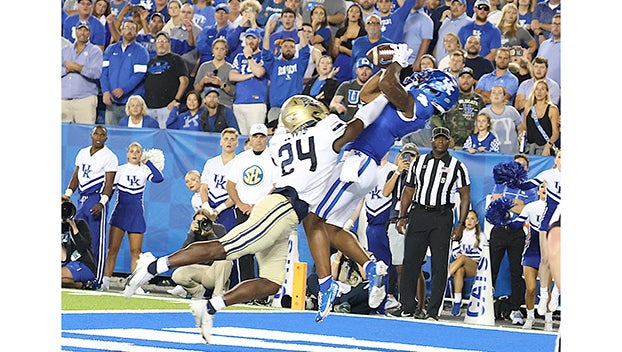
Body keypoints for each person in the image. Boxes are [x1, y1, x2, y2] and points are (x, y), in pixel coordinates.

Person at [122, 94, 366, 342]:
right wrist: (370, 104)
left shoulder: (281, 140)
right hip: (280, 209)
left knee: (271, 282)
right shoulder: (318, 136)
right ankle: (153, 265)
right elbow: (354, 127)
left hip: (285, 214)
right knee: (223, 249)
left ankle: (209, 307)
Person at [305, 54, 460, 322]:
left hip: (359, 162)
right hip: (360, 164)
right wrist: (385, 63)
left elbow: (389, 84)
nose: (420, 78)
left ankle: (326, 284)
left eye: (426, 78)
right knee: (331, 228)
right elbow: (367, 93)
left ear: (434, 89)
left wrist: (397, 62)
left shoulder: (418, 106)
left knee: (312, 220)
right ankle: (371, 267)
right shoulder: (409, 101)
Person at [394, 126, 470, 320]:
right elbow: (409, 190)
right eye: (437, 138)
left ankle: (433, 310)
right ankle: (407, 306)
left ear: (450, 141)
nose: (441, 142)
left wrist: (460, 224)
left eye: (444, 139)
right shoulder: (418, 162)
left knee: (439, 264)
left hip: (442, 216)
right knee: (410, 261)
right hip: (418, 213)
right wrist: (402, 216)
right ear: (432, 141)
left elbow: (465, 195)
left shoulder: (457, 166)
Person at [102, 142, 164, 291]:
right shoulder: (120, 170)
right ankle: (105, 281)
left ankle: (134, 284)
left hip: (136, 215)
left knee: (136, 252)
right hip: (120, 213)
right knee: (112, 249)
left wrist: (147, 161)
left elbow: (158, 178)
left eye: (138, 151)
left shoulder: (144, 171)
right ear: (127, 154)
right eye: (132, 151)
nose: (135, 154)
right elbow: (109, 190)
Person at [63, 125, 118, 285]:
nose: (99, 137)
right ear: (91, 135)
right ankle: (74, 271)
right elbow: (76, 175)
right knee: (75, 236)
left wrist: (102, 203)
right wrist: (67, 194)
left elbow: (109, 183)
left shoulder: (110, 157)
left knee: (96, 240)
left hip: (96, 199)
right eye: (96, 134)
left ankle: (97, 279)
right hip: (82, 199)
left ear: (106, 138)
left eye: (103, 135)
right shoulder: (82, 153)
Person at [225, 123, 279, 284]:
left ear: (267, 138)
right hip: (243, 210)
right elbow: (230, 185)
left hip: (264, 211)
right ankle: (246, 290)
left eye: (262, 136)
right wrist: (241, 204)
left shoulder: (273, 158)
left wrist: (259, 206)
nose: (258, 140)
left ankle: (263, 293)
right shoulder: (242, 158)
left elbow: (276, 185)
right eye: (255, 136)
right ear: (250, 138)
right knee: (244, 250)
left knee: (265, 251)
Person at [488, 154, 537, 325]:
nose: (519, 167)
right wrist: (515, 204)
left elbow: (527, 209)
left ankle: (516, 309)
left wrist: (507, 204)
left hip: (517, 233)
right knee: (491, 268)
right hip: (499, 230)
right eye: (516, 164)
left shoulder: (529, 188)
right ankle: (485, 304)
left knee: (517, 271)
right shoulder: (501, 182)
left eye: (523, 165)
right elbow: (494, 202)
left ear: (527, 169)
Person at [382, 143, 427, 317]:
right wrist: (398, 171)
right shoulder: (395, 173)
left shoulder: (423, 175)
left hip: (415, 221)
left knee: (417, 268)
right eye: (405, 156)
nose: (408, 160)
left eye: (412, 157)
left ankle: (421, 306)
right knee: (400, 267)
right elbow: (386, 192)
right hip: (395, 220)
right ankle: (405, 303)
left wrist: (414, 171)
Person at [509, 182, 551, 330]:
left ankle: (548, 319)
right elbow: (516, 225)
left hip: (548, 255)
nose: (544, 189)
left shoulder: (559, 208)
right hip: (531, 253)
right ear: (538, 191)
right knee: (531, 288)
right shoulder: (530, 207)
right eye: (542, 187)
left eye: (548, 186)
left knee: (546, 289)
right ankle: (530, 316)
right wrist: (505, 218)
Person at [170, 209, 234, 299]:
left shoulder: (219, 229)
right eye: (198, 221)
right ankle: (197, 291)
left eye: (204, 221)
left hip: (213, 271)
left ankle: (217, 295)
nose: (201, 224)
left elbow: (222, 250)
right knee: (177, 275)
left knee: (226, 260)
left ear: (210, 221)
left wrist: (211, 234)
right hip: (198, 270)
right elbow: (183, 253)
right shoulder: (194, 233)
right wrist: (191, 234)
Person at [100, 19, 150, 126]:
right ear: (121, 31)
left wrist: (124, 89)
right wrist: (105, 91)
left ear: (137, 33)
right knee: (111, 134)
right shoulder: (110, 49)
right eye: (127, 28)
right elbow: (104, 73)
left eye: (133, 29)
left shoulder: (141, 51)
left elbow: (139, 75)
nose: (129, 31)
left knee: (128, 136)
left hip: (131, 104)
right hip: (111, 102)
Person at [262, 17, 310, 125]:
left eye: (292, 47)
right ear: (280, 49)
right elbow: (265, 53)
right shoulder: (274, 64)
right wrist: (267, 32)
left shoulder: (299, 64)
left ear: (295, 49)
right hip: (276, 108)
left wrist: (300, 29)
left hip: (295, 108)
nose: (288, 48)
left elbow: (305, 51)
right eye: (285, 46)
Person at [144, 31, 191, 129]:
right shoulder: (151, 61)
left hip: (167, 107)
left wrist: (176, 100)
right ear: (155, 44)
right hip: (149, 108)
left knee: (164, 138)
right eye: (159, 41)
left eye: (164, 41)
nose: (161, 44)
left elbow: (184, 81)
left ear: (169, 44)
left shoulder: (177, 59)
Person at [199, 127, 240, 233]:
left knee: (226, 242)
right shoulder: (211, 163)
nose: (229, 142)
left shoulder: (240, 164)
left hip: (228, 209)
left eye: (232, 139)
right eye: (226, 139)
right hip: (209, 205)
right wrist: (206, 207)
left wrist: (218, 210)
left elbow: (238, 192)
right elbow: (203, 187)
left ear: (237, 143)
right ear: (221, 142)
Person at [62, 22, 103, 124]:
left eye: (85, 30)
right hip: (64, 99)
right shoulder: (64, 50)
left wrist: (78, 68)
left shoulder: (95, 51)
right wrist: (66, 70)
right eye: (80, 29)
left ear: (89, 33)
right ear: (75, 31)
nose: (82, 33)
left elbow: (96, 73)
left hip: (85, 100)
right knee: (63, 135)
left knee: (85, 135)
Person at [229, 28, 268, 135]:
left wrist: (249, 57)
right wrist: (251, 74)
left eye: (253, 38)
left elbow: (259, 73)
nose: (250, 41)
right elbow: (232, 76)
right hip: (239, 102)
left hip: (256, 103)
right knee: (242, 139)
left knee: (255, 137)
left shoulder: (264, 56)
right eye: (248, 38)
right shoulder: (239, 57)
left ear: (259, 40)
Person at [448, 209, 485, 316]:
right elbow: (455, 253)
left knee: (463, 258)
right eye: (467, 218)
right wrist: (464, 258)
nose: (469, 221)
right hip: (460, 265)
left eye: (472, 219)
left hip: (475, 268)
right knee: (459, 270)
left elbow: (482, 256)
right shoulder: (459, 234)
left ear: (477, 221)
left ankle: (445, 276)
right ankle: (457, 302)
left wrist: (466, 258)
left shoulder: (481, 236)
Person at [438, 66, 486, 148]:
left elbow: (485, 120)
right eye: (463, 77)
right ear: (458, 80)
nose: (466, 80)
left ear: (473, 81)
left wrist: (479, 138)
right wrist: (445, 135)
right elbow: (436, 117)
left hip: (472, 146)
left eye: (469, 77)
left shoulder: (479, 100)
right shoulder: (450, 96)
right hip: (451, 144)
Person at [61, 197, 97, 290]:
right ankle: (82, 285)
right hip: (68, 264)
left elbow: (83, 247)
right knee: (62, 281)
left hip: (84, 264)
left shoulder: (80, 223)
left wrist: (73, 225)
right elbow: (64, 258)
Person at [518, 79, 559, 156]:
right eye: (537, 89)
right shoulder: (528, 108)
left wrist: (548, 146)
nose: (539, 92)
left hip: (545, 149)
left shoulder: (552, 109)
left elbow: (555, 133)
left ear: (547, 92)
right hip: (529, 149)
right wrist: (521, 136)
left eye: (542, 89)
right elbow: (524, 128)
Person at [480, 85, 523, 154]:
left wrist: (521, 136)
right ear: (490, 96)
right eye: (494, 93)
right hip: (490, 154)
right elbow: (478, 131)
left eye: (499, 93)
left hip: (511, 153)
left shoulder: (512, 111)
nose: (496, 95)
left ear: (503, 97)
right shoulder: (484, 112)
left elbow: (521, 128)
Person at [195, 38, 236, 108]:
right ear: (213, 50)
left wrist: (221, 83)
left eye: (222, 49)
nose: (219, 52)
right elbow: (196, 89)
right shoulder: (204, 66)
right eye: (216, 48)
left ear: (226, 51)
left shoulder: (231, 69)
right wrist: (203, 81)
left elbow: (234, 92)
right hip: (205, 106)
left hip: (224, 105)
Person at [331, 3, 367, 84]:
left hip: (354, 64)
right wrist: (339, 41)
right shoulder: (341, 32)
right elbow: (334, 53)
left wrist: (344, 49)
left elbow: (359, 55)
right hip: (340, 62)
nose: (353, 13)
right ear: (347, 14)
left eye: (356, 12)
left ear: (360, 16)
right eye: (351, 11)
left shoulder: (363, 33)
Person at [329, 57, 373, 122]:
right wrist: (337, 106)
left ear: (371, 72)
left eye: (367, 69)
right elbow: (333, 103)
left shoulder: (375, 88)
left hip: (368, 124)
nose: (364, 72)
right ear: (356, 71)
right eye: (361, 68)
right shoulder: (346, 85)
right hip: (349, 124)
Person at [350, 14, 393, 79]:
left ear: (381, 26)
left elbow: (391, 68)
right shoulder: (357, 42)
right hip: (359, 83)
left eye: (376, 23)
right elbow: (353, 63)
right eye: (369, 23)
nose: (373, 26)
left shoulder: (388, 45)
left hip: (378, 84)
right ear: (365, 26)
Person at [170, 3, 202, 78]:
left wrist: (194, 72)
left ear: (193, 15)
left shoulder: (199, 31)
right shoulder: (174, 30)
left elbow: (200, 56)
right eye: (183, 12)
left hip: (189, 68)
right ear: (180, 14)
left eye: (189, 12)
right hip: (173, 67)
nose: (185, 15)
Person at [401, 0, 434, 73]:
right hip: (398, 61)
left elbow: (426, 41)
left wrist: (418, 61)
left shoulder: (426, 19)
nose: (417, 1)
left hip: (411, 62)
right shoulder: (402, 15)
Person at [536, 13, 560, 89]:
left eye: (560, 24)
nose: (556, 27)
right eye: (554, 24)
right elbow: (536, 66)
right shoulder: (544, 44)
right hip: (542, 89)